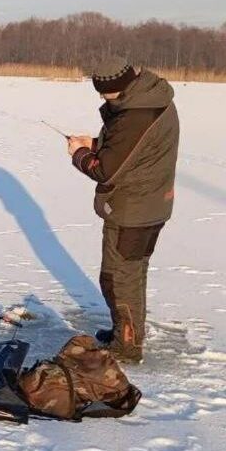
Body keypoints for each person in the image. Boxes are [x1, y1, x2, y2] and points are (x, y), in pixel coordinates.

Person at [68, 57, 180, 363]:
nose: (104, 100)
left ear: (117, 88)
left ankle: (127, 347)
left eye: (106, 95)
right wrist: (93, 142)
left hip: (133, 210)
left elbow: (106, 170)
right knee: (134, 273)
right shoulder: (154, 98)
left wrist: (79, 155)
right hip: (152, 204)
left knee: (118, 278)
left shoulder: (135, 115)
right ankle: (127, 332)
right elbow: (132, 149)